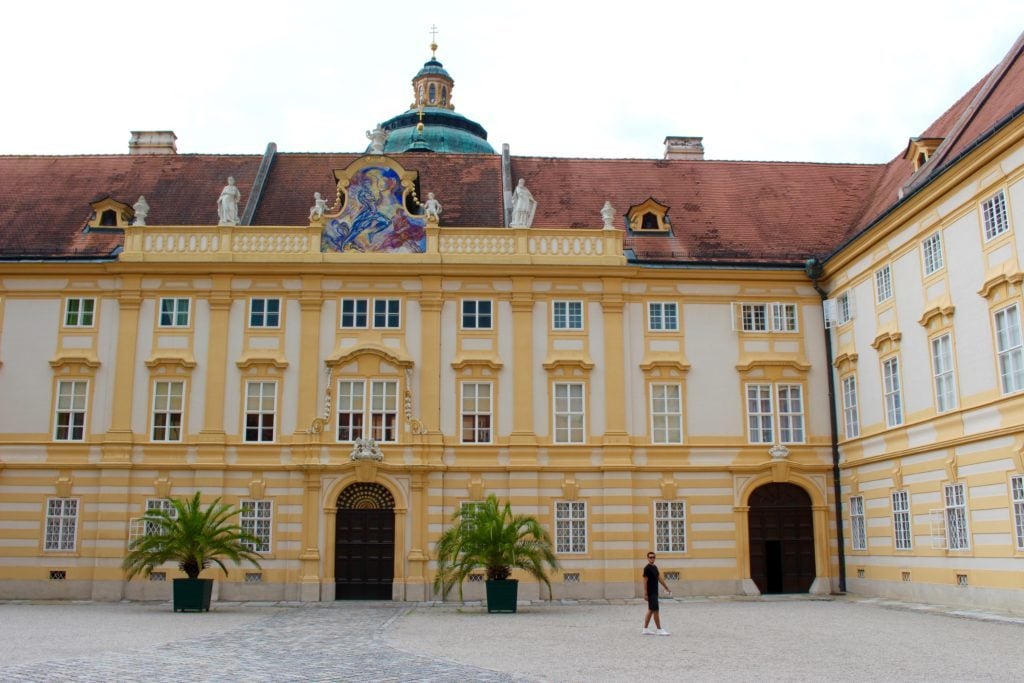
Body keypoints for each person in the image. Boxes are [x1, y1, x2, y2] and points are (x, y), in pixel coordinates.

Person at [642, 551, 671, 635]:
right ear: (647, 558)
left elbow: (659, 578)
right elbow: (645, 581)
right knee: (655, 610)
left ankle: (645, 629)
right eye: (650, 557)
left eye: (653, 557)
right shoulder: (646, 568)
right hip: (651, 593)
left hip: (655, 591)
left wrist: (666, 588)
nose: (652, 558)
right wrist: (645, 593)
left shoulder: (655, 567)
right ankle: (659, 629)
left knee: (651, 610)